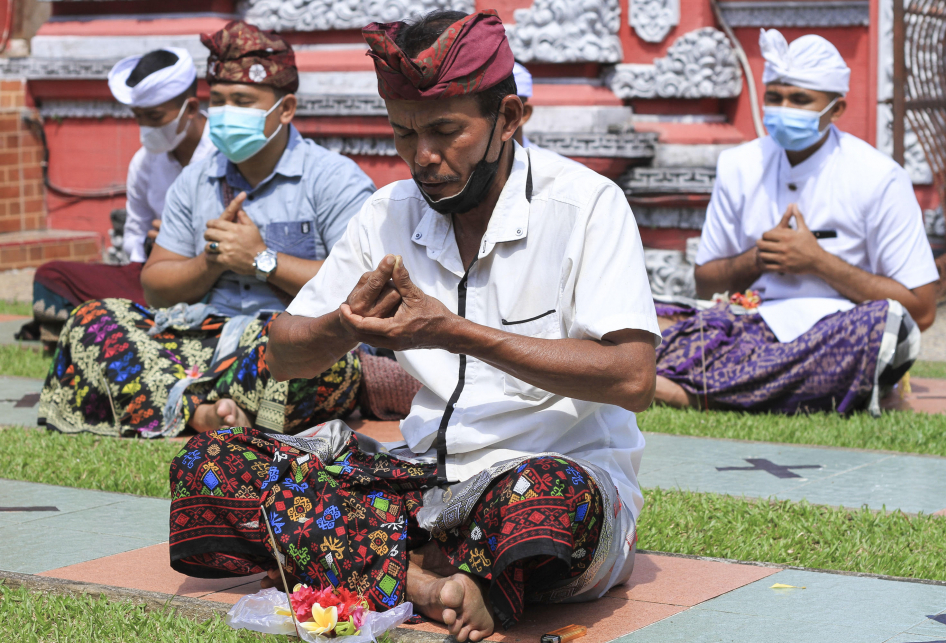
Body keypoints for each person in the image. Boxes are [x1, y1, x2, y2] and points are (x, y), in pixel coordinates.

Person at [167, 10, 659, 643]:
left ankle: (388, 561)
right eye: (403, 135)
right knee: (214, 463)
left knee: (551, 497)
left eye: (446, 132)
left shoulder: (586, 205)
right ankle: (433, 583)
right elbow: (284, 356)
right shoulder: (386, 213)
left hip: (539, 480)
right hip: (418, 483)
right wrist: (344, 327)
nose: (422, 158)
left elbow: (633, 378)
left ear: (507, 119)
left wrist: (455, 332)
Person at [39, 21, 376, 438]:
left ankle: (186, 404)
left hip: (281, 340)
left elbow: (364, 289)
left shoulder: (334, 179)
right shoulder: (196, 181)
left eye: (242, 100)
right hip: (200, 336)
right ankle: (208, 412)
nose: (225, 112)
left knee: (330, 362)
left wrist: (261, 261)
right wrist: (211, 262)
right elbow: (156, 287)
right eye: (218, 100)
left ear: (285, 109)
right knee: (94, 320)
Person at [654, 29, 938, 415]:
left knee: (885, 325)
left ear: (836, 109)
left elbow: (920, 311)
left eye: (800, 100)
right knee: (654, 315)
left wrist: (817, 262)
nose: (783, 109)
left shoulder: (879, 176)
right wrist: (758, 259)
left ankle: (687, 391)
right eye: (775, 98)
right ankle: (753, 391)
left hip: (834, 335)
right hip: (748, 326)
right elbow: (706, 284)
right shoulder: (739, 165)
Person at [27, 48, 215, 346]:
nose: (145, 128)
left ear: (190, 108)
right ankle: (134, 323)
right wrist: (149, 246)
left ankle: (109, 326)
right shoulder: (144, 162)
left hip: (210, 278)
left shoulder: (224, 154)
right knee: (53, 275)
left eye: (153, 117)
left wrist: (182, 243)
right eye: (138, 117)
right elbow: (135, 233)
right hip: (154, 279)